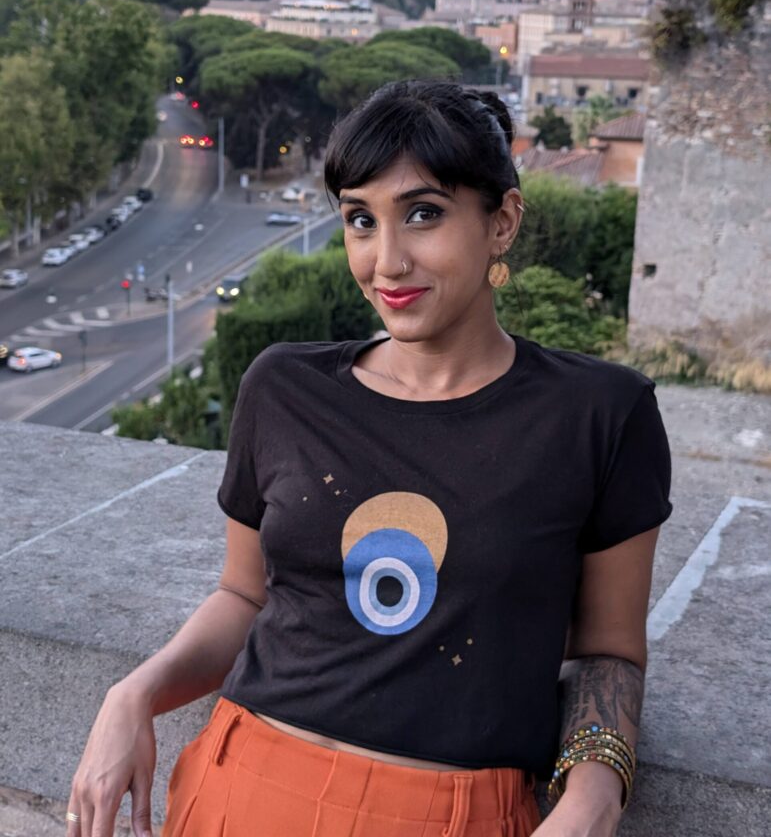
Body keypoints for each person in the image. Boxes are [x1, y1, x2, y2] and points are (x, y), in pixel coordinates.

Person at [67, 81, 672, 837]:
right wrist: (134, 694)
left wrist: (591, 798)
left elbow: (609, 650)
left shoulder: (601, 413)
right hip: (240, 789)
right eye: (360, 219)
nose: (386, 261)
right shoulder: (283, 386)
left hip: (455, 816)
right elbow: (244, 596)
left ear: (502, 222)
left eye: (423, 214)